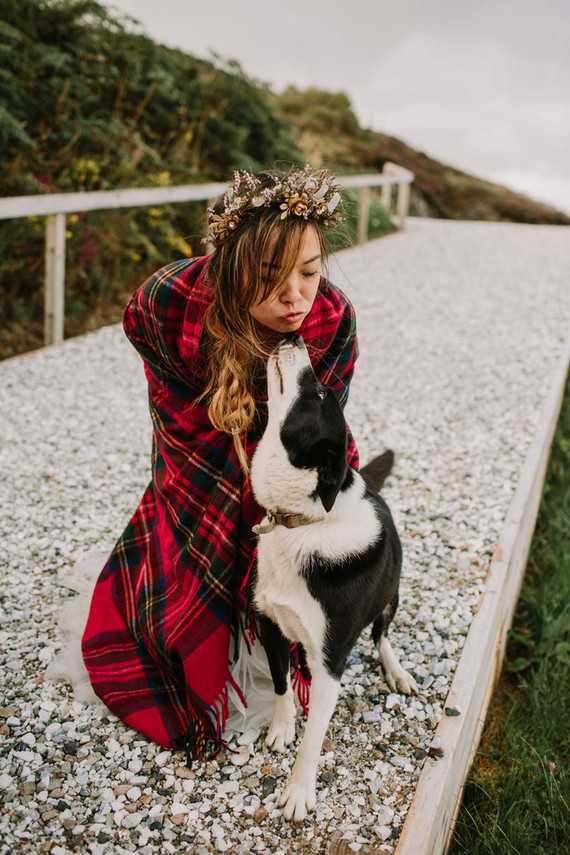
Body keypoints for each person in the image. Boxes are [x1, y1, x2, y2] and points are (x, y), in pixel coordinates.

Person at [81, 165, 360, 763]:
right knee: (196, 518)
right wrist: (213, 439)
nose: (295, 298)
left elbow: (314, 430)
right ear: (231, 268)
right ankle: (198, 641)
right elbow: (160, 377)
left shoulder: (333, 321)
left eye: (309, 273)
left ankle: (277, 642)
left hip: (281, 452)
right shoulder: (169, 301)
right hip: (203, 438)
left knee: (290, 545)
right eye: (269, 278)